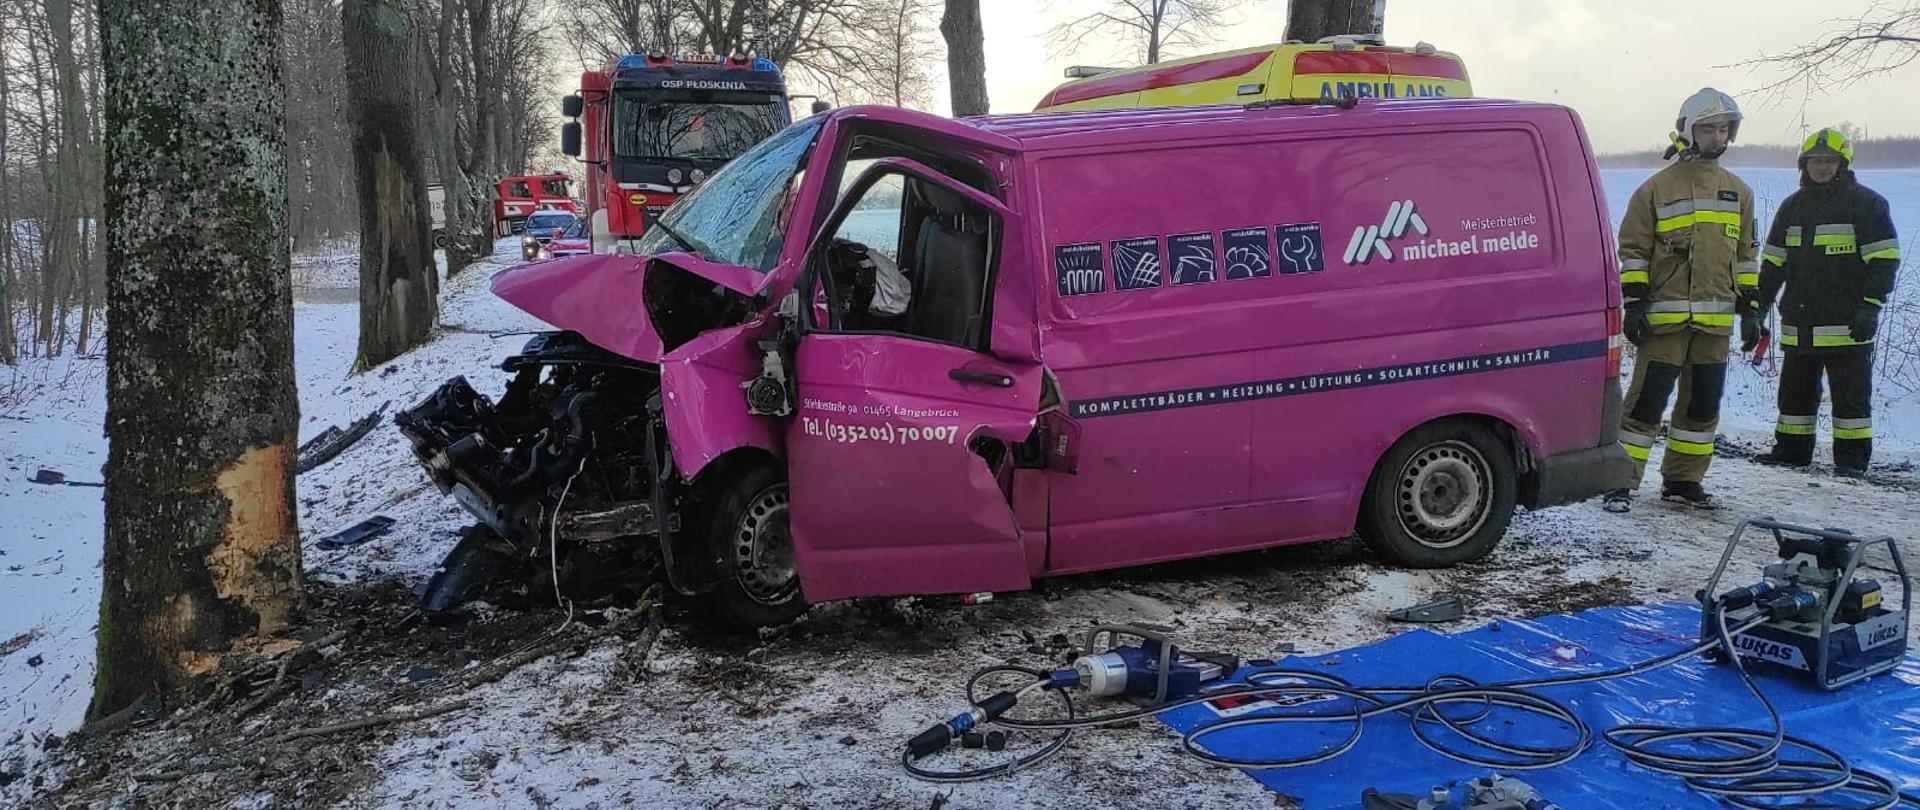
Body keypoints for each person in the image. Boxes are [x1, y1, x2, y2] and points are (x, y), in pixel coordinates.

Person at [1604, 88, 1760, 513]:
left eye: (1723, 128)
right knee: (1646, 403)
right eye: (1708, 127)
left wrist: (1752, 309)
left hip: (1714, 325)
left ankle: (1683, 481)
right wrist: (1634, 305)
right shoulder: (1654, 190)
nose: (1717, 136)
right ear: (1688, 131)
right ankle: (1620, 481)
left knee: (1702, 406)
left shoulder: (1738, 193)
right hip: (1664, 321)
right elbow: (1633, 251)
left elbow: (1746, 255)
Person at [1751, 128, 1900, 477]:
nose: (1821, 167)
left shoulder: (1867, 204)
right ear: (1804, 165)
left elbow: (1883, 262)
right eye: (1815, 161)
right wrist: (1758, 307)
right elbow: (1773, 265)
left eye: (1828, 161)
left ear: (1842, 164)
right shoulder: (1792, 207)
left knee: (1851, 401)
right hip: (1799, 325)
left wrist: (1870, 306)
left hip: (1848, 325)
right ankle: (1791, 452)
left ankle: (1851, 463)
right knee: (1794, 399)